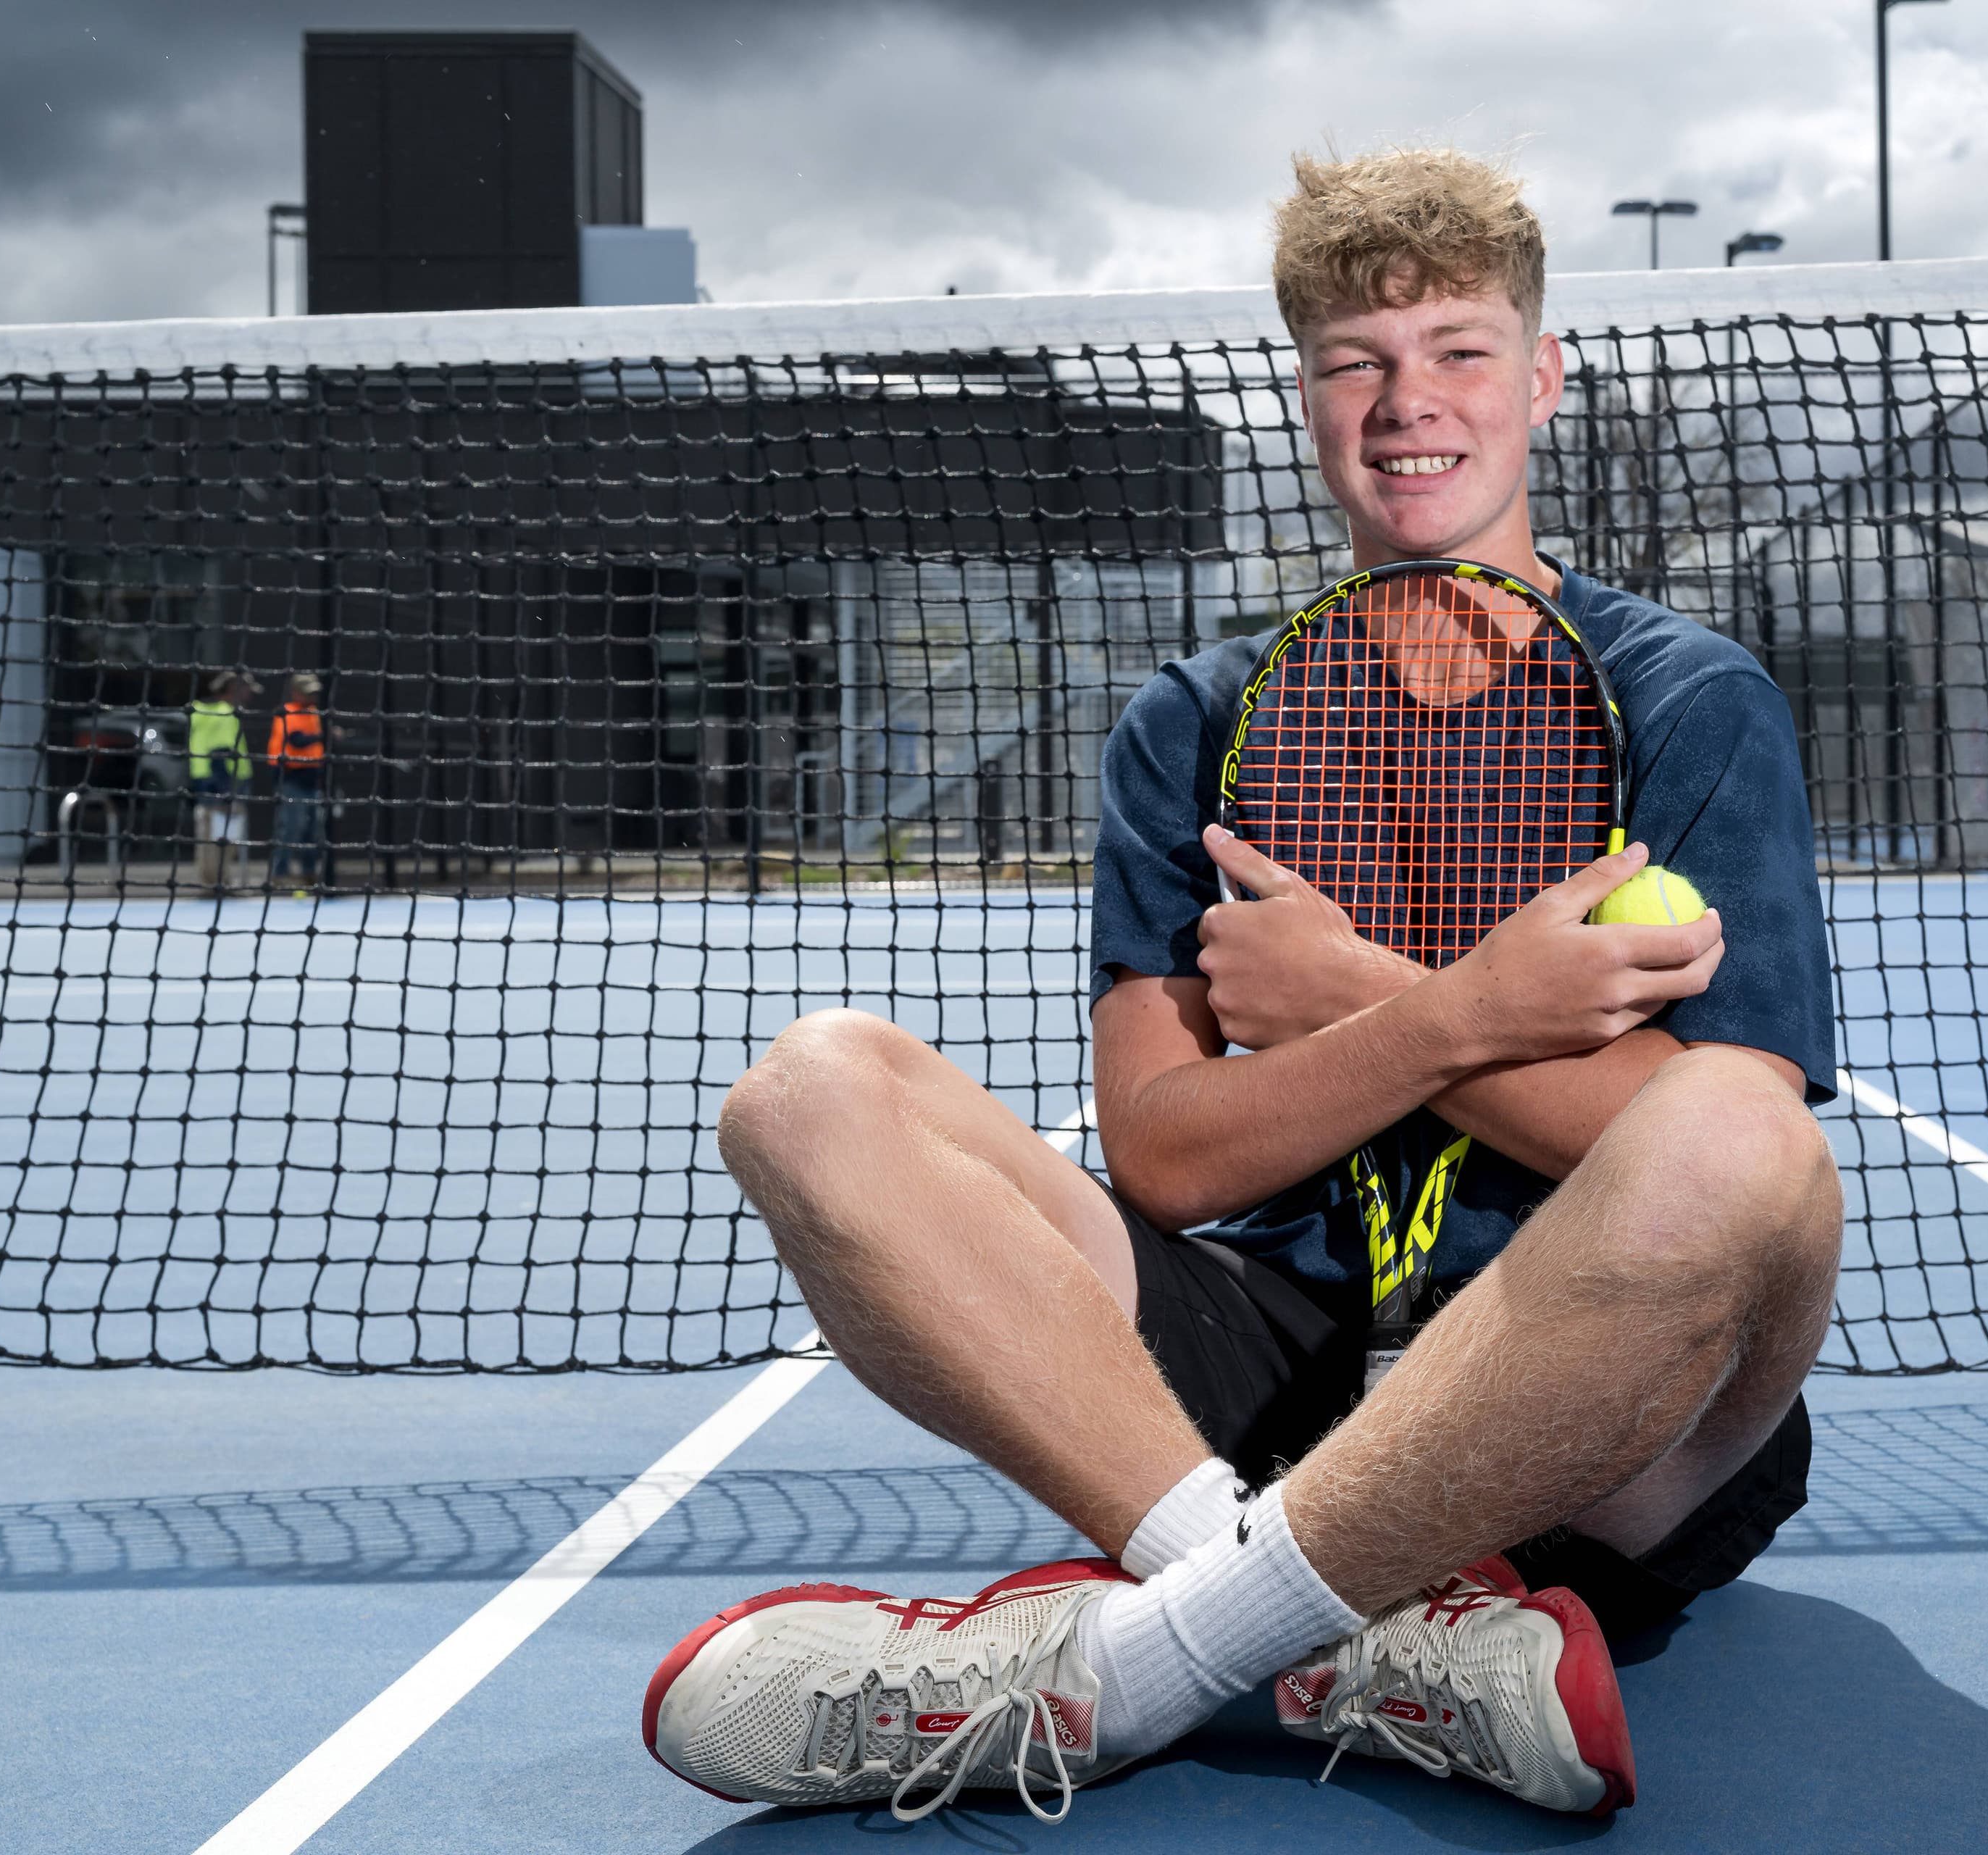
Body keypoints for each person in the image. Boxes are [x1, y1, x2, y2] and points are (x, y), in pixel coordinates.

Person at [645, 149, 1842, 1824]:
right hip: (1265, 1381)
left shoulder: (1686, 700)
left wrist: (1368, 992)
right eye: (1357, 359)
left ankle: (1136, 1662)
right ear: (1305, 394)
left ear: (1542, 377)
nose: (1406, 399)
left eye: (1457, 348)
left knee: (1742, 1139)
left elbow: (1709, 1154)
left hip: (1608, 1429)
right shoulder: (1197, 722)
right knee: (811, 1091)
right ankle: (1315, 1630)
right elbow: (1170, 1156)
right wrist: (1470, 1013)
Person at [185, 671, 256, 893]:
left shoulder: (201, 711)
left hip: (206, 784)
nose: (249, 695)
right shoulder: (224, 713)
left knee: (211, 837)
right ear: (232, 689)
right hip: (222, 787)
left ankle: (213, 882)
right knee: (221, 840)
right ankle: (218, 883)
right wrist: (228, 789)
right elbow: (221, 752)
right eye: (245, 690)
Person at [266, 672, 327, 893]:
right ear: (295, 692)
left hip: (312, 778)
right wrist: (325, 735)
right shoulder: (287, 712)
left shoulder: (313, 713)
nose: (312, 696)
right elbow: (297, 740)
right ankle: (280, 874)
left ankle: (309, 874)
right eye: (307, 692)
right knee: (292, 827)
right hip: (290, 778)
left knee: (313, 829)